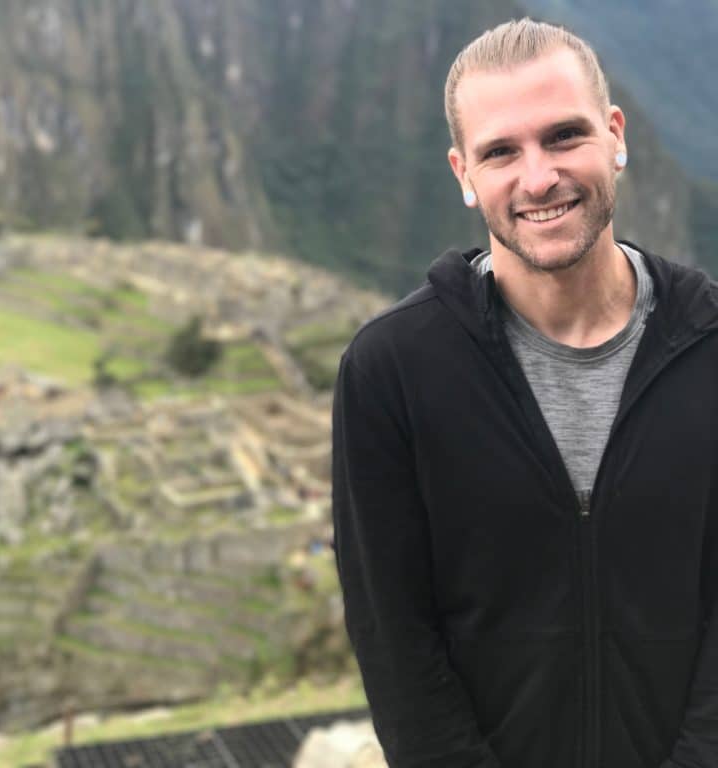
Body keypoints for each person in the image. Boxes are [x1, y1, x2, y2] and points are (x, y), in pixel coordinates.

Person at [332, 18, 718, 768]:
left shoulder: (709, 347)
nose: (538, 177)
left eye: (564, 136)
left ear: (614, 135)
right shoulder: (391, 373)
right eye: (501, 151)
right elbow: (395, 638)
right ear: (463, 174)